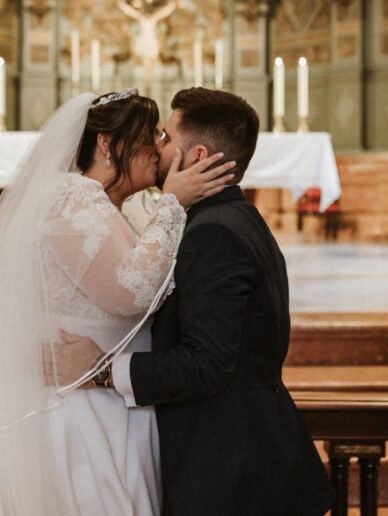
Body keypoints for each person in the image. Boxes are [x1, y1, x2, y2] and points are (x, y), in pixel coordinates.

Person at [58, 87, 336, 515]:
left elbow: (205, 364)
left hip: (233, 471)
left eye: (166, 137)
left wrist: (102, 371)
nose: (157, 147)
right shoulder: (232, 218)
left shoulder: (214, 234)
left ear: (198, 156)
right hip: (235, 458)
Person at [0, 88, 235, 516]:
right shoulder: (73, 196)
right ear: (108, 144)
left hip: (115, 399)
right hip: (82, 409)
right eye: (149, 136)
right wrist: (173, 204)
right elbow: (130, 291)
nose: (157, 149)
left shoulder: (107, 205)